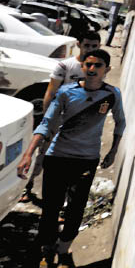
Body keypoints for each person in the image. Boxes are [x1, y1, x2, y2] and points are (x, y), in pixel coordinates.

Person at [17, 49, 126, 268]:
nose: (92, 69)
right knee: (50, 210)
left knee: (75, 211)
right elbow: (47, 123)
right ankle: (46, 255)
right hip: (58, 157)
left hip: (86, 160)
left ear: (107, 69)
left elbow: (120, 123)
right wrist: (28, 153)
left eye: (98, 65)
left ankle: (63, 252)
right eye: (88, 64)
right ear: (82, 66)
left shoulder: (112, 94)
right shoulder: (67, 92)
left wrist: (113, 151)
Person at [19, 30, 102, 203]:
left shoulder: (98, 68)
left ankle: (63, 200)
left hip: (79, 125)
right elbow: (50, 93)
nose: (90, 49)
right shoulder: (65, 66)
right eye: (87, 45)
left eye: (94, 46)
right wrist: (48, 121)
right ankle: (27, 187)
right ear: (79, 45)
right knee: (43, 155)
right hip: (59, 120)